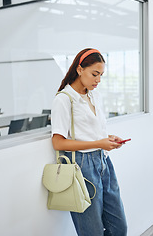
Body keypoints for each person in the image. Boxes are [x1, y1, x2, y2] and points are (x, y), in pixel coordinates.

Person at [51, 48, 128, 236]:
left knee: (119, 228)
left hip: (104, 163)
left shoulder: (94, 95)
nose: (98, 80)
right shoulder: (64, 99)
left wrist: (108, 139)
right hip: (82, 168)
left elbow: (92, 132)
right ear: (79, 70)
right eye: (95, 74)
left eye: (101, 75)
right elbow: (58, 143)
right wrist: (98, 143)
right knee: (92, 232)